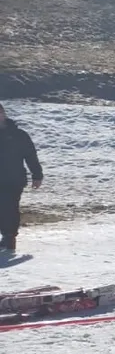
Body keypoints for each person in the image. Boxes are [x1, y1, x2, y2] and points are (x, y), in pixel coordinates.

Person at [0, 103, 41, 254]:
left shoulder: (18, 135)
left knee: (9, 208)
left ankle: (9, 237)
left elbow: (30, 156)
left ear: (3, 114)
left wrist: (37, 175)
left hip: (13, 179)